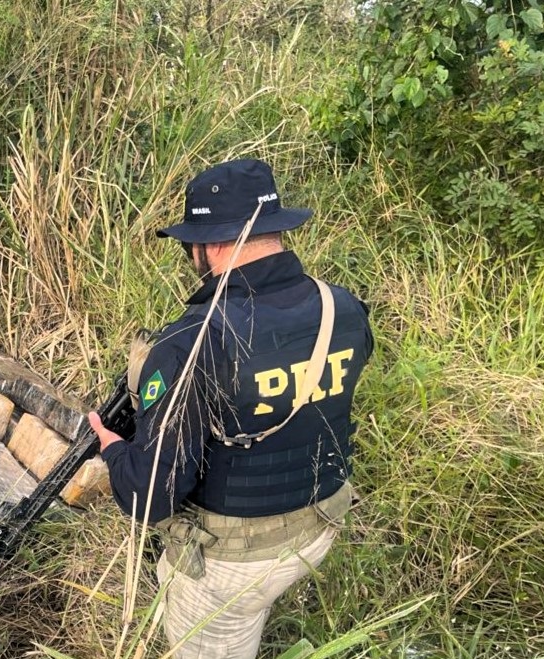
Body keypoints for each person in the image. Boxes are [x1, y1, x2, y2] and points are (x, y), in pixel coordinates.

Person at [88, 158, 374, 658]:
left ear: (211, 244)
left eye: (188, 245)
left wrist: (114, 450)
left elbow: (150, 495)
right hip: (320, 527)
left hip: (234, 561)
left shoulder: (191, 343)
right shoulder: (343, 307)